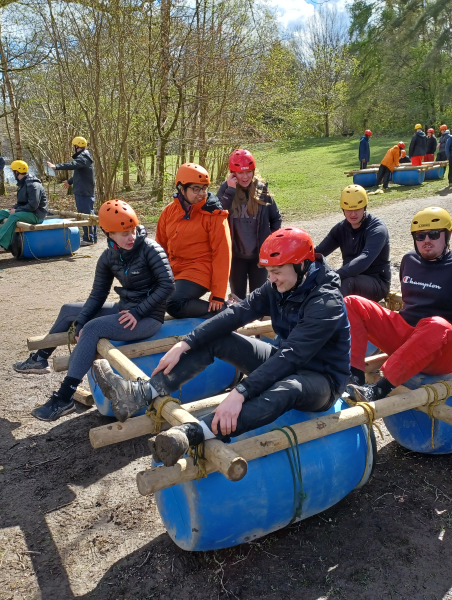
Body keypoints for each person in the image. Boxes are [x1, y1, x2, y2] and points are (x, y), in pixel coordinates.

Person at [91, 226, 351, 467]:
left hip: (321, 380)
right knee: (217, 338)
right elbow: (237, 313)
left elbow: (291, 357)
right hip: (284, 360)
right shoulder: (279, 284)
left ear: (303, 265)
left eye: (277, 272)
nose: (271, 280)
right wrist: (187, 342)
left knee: (289, 388)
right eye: (269, 272)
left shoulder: (326, 302)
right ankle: (140, 394)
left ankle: (193, 433)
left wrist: (240, 392)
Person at [21, 200, 175, 421]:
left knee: (93, 329)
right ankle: (40, 359)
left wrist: (139, 312)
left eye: (132, 230)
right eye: (123, 233)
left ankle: (64, 397)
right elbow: (97, 295)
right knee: (69, 311)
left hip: (148, 317)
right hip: (125, 309)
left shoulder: (150, 248)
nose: (130, 237)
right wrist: (81, 321)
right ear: (108, 233)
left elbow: (168, 285)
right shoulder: (108, 257)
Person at [345, 207, 452, 403]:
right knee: (352, 302)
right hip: (408, 337)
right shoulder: (409, 260)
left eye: (434, 234)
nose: (426, 240)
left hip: (443, 350)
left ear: (447, 235)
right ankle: (355, 377)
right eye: (420, 236)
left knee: (436, 324)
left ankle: (379, 389)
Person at [156, 163, 232, 318]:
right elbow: (159, 248)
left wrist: (218, 294)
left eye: (204, 188)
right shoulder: (168, 212)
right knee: (155, 297)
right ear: (181, 189)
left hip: (201, 269)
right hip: (175, 269)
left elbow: (223, 254)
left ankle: (226, 312)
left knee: (174, 303)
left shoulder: (214, 215)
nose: (201, 193)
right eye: (195, 189)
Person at [216, 149, 282, 301]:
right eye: (240, 173)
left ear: (253, 171)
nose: (245, 177)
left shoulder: (261, 189)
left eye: (248, 172)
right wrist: (230, 189)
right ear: (233, 173)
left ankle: (258, 325)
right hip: (235, 256)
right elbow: (216, 212)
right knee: (237, 299)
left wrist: (269, 242)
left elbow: (276, 218)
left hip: (258, 257)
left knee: (258, 299)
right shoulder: (226, 189)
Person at [315, 184, 391, 302]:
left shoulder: (377, 229)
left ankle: (334, 318)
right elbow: (319, 251)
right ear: (343, 210)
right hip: (349, 276)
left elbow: (364, 259)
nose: (353, 214)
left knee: (346, 282)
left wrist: (337, 274)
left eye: (357, 209)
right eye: (349, 210)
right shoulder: (340, 229)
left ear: (364, 207)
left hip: (376, 282)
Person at [0, 160, 47, 253]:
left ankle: (1, 244)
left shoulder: (33, 185)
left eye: (13, 171)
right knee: (1, 213)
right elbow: (21, 202)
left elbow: (33, 206)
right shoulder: (23, 183)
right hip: (26, 211)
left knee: (14, 216)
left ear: (16, 172)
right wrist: (14, 208)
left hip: (36, 214)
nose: (13, 174)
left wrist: (16, 211)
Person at [47, 136, 96, 247]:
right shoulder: (84, 157)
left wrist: (56, 167)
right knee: (87, 214)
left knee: (86, 215)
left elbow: (73, 165)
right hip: (82, 191)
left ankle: (89, 238)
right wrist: (69, 181)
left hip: (84, 192)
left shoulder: (83, 157)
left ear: (76, 146)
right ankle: (91, 237)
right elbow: (80, 174)